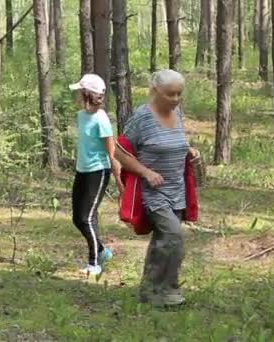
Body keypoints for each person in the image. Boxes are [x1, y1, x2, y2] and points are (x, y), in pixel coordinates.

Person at [115, 69, 199, 306]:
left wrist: (189, 151)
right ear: (155, 90)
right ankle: (161, 290)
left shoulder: (178, 113)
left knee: (164, 241)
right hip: (153, 192)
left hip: (177, 189)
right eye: (170, 94)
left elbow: (176, 143)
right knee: (174, 236)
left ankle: (156, 291)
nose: (175, 99)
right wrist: (145, 172)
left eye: (179, 94)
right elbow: (119, 151)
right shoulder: (142, 117)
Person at [69, 74, 122, 276]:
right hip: (81, 171)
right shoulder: (81, 116)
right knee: (77, 218)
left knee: (87, 217)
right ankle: (102, 251)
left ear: (86, 94)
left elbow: (112, 151)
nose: (75, 96)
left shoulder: (101, 119)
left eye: (78, 92)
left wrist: (117, 176)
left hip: (98, 171)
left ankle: (94, 264)